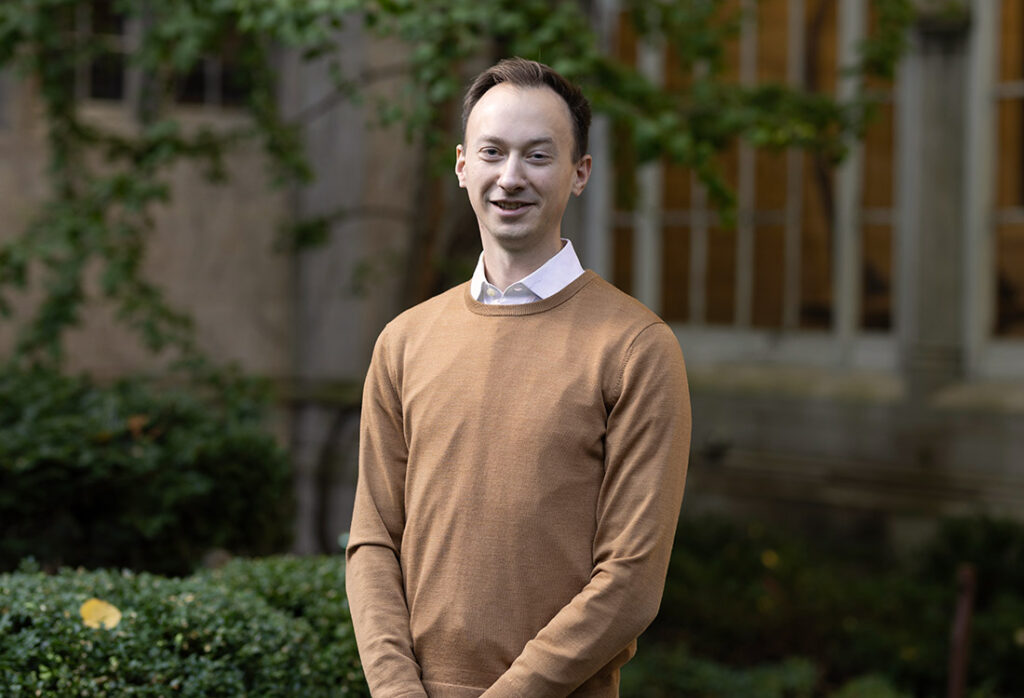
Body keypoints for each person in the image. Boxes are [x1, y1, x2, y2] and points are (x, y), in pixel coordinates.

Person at [345, 57, 691, 697]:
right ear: (461, 165)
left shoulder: (637, 348)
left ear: (578, 173)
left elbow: (631, 580)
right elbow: (372, 542)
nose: (510, 177)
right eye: (492, 152)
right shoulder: (404, 341)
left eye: (538, 156)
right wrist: (396, 691)